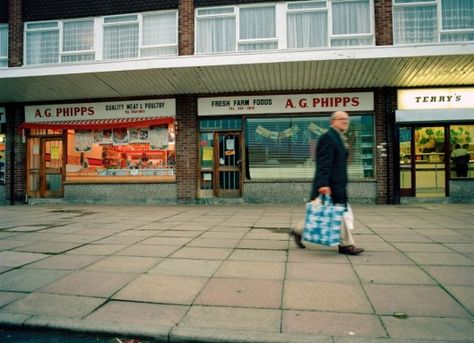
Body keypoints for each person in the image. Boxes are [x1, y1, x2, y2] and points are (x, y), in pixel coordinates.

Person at [290, 111, 364, 255]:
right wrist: (323, 184)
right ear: (333, 121)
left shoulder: (339, 137)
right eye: (342, 119)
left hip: (337, 184)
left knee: (326, 214)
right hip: (329, 185)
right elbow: (323, 163)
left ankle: (297, 230)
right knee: (338, 213)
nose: (345, 122)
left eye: (347, 119)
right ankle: (346, 245)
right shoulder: (328, 137)